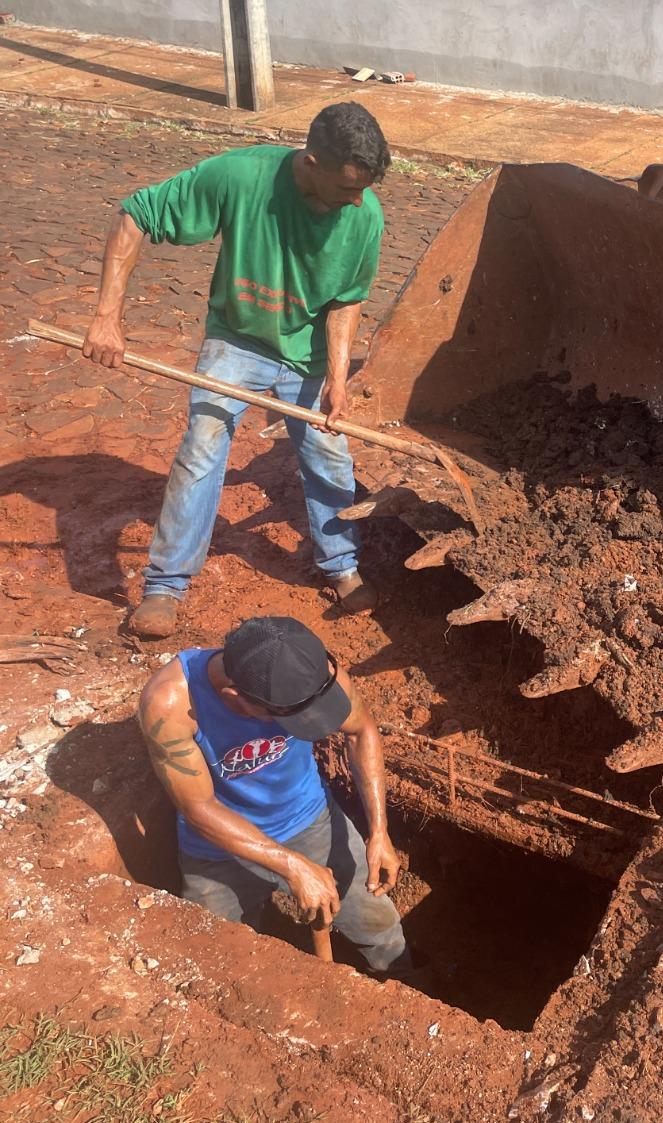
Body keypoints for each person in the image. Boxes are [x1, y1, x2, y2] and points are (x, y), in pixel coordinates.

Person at [83, 102, 392, 639]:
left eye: (363, 189)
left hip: (310, 353)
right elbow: (137, 214)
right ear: (311, 161)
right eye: (346, 188)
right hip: (238, 337)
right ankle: (165, 586)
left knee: (328, 455)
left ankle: (341, 566)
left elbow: (346, 301)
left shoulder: (365, 215)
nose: (357, 200)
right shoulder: (239, 175)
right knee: (201, 448)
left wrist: (338, 382)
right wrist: (107, 317)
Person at [138, 614, 416, 979]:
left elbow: (361, 732)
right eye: (289, 718)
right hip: (220, 848)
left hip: (309, 818)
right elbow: (198, 807)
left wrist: (379, 831)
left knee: (376, 922)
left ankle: (405, 983)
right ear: (234, 697)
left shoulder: (314, 675)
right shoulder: (170, 703)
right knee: (219, 958)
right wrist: (292, 865)